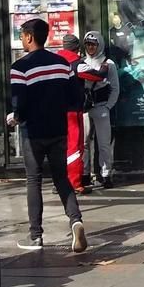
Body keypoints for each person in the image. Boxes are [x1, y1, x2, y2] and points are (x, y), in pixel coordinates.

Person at [9, 18, 100, 252]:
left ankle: (36, 236)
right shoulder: (62, 65)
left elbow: (19, 103)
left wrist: (14, 117)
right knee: (61, 178)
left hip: (34, 133)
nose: (21, 40)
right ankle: (76, 220)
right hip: (59, 130)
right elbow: (75, 99)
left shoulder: (20, 67)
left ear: (29, 37)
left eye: (21, 35)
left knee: (34, 180)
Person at [81, 31, 120, 190]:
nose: (90, 47)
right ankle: (84, 174)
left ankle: (105, 174)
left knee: (104, 143)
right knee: (83, 143)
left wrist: (108, 106)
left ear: (100, 45)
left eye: (93, 44)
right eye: (88, 44)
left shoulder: (108, 63)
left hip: (101, 106)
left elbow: (115, 88)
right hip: (85, 109)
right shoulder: (81, 63)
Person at [54, 34, 89, 195]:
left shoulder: (53, 61)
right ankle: (74, 183)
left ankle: (59, 182)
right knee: (75, 147)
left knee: (59, 147)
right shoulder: (77, 63)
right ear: (77, 48)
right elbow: (97, 75)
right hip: (73, 111)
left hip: (56, 111)